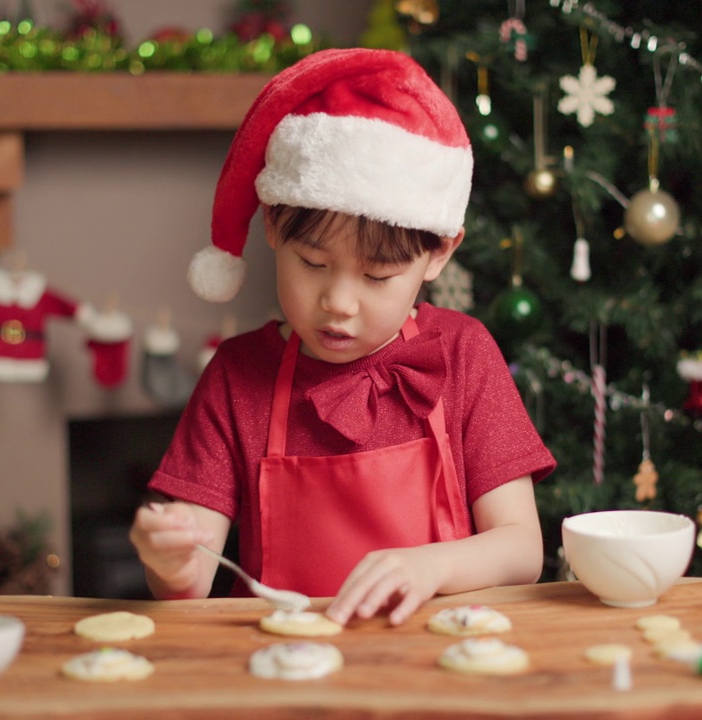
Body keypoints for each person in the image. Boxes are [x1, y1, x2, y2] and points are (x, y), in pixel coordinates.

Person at [129, 48, 556, 627]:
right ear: (274, 226)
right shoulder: (236, 375)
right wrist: (170, 562)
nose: (338, 303)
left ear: (438, 254)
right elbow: (189, 582)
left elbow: (522, 549)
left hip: (438, 665)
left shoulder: (463, 353)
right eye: (312, 263)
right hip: (284, 672)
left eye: (378, 277)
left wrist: (429, 568)